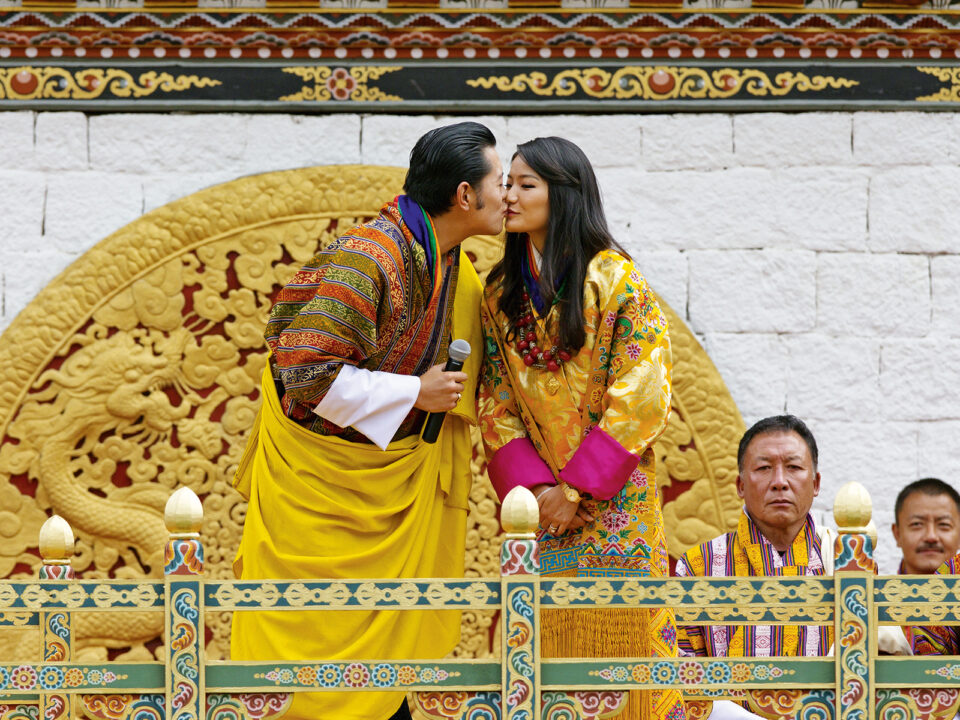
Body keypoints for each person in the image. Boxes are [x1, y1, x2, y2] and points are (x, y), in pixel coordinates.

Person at [231, 121, 506, 720]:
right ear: (465, 195)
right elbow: (304, 372)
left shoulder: (452, 264)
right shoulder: (370, 257)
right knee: (303, 665)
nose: (507, 196)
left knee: (389, 672)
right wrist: (415, 392)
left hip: (391, 489)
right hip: (321, 498)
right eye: (500, 182)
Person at [478, 136, 684, 720]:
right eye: (508, 183)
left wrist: (578, 489)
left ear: (563, 195)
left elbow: (642, 394)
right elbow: (493, 399)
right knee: (549, 666)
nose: (509, 196)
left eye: (525, 185)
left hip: (614, 502)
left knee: (630, 665)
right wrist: (541, 492)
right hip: (541, 511)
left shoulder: (617, 280)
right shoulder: (500, 293)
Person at [675, 415, 833, 720]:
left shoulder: (845, 563)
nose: (780, 481)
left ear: (815, 484)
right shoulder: (698, 566)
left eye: (794, 467)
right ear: (740, 485)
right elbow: (682, 677)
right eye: (763, 468)